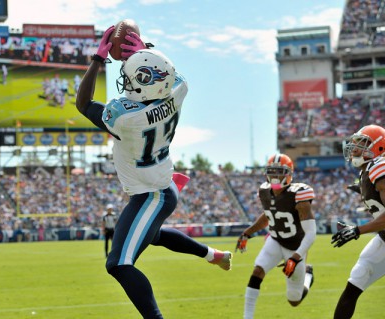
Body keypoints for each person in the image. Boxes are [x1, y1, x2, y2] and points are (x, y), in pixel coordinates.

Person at [76, 25, 232, 319]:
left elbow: (83, 103)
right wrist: (145, 51)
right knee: (153, 235)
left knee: (118, 264)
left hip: (151, 194)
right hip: (162, 185)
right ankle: (215, 255)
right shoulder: (178, 90)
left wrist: (98, 59)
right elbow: (170, 73)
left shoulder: (125, 117)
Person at [236, 154, 316, 319]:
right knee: (258, 271)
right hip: (275, 239)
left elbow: (311, 233)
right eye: (272, 172)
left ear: (289, 174)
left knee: (294, 299)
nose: (275, 177)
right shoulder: (264, 190)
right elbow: (268, 216)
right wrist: (248, 233)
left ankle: (308, 276)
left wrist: (295, 258)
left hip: (295, 246)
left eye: (280, 172)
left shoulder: (299, 195)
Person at [331, 124, 385, 319]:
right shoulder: (367, 171)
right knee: (356, 280)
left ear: (379, 148)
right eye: (355, 143)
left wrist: (357, 230)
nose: (355, 148)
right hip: (384, 239)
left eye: (362, 144)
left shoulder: (380, 167)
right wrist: (363, 189)